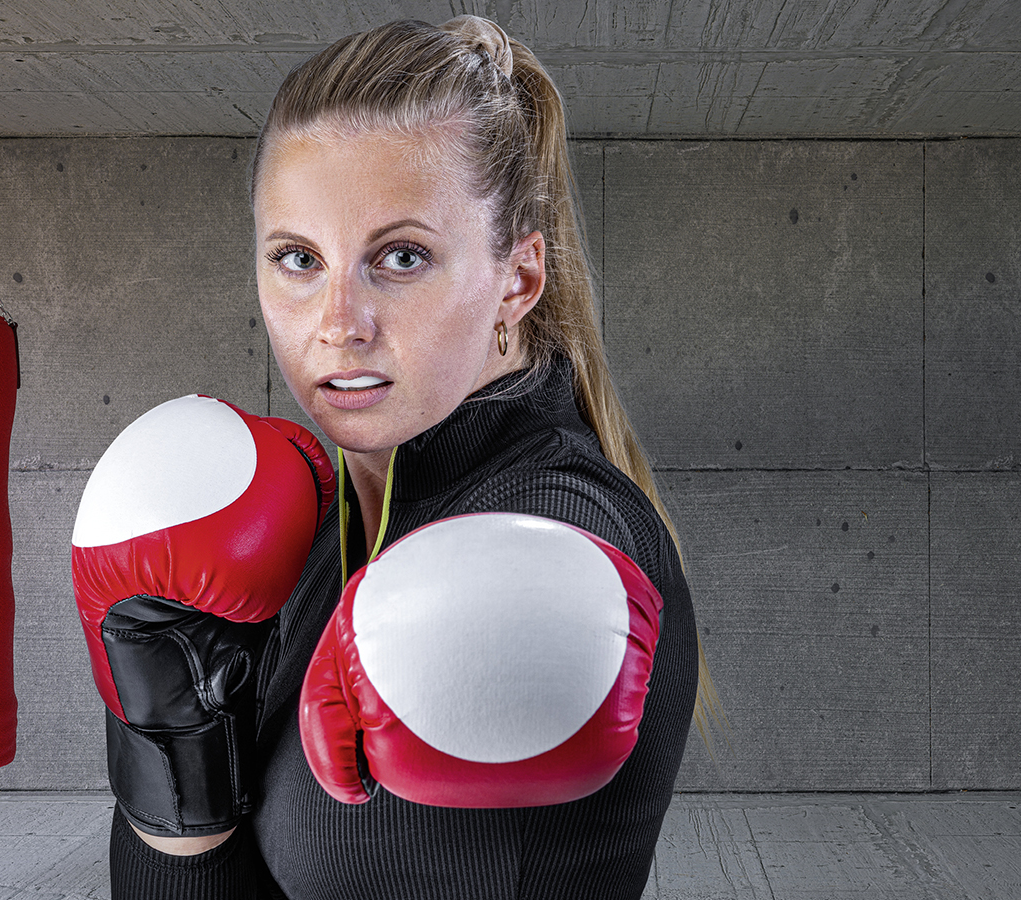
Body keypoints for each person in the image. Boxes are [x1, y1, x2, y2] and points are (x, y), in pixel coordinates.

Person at [99, 15, 700, 899]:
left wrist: (524, 613)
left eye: (402, 257)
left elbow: (569, 553)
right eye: (299, 258)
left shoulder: (560, 517)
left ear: (518, 280)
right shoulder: (318, 520)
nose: (339, 321)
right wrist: (176, 787)